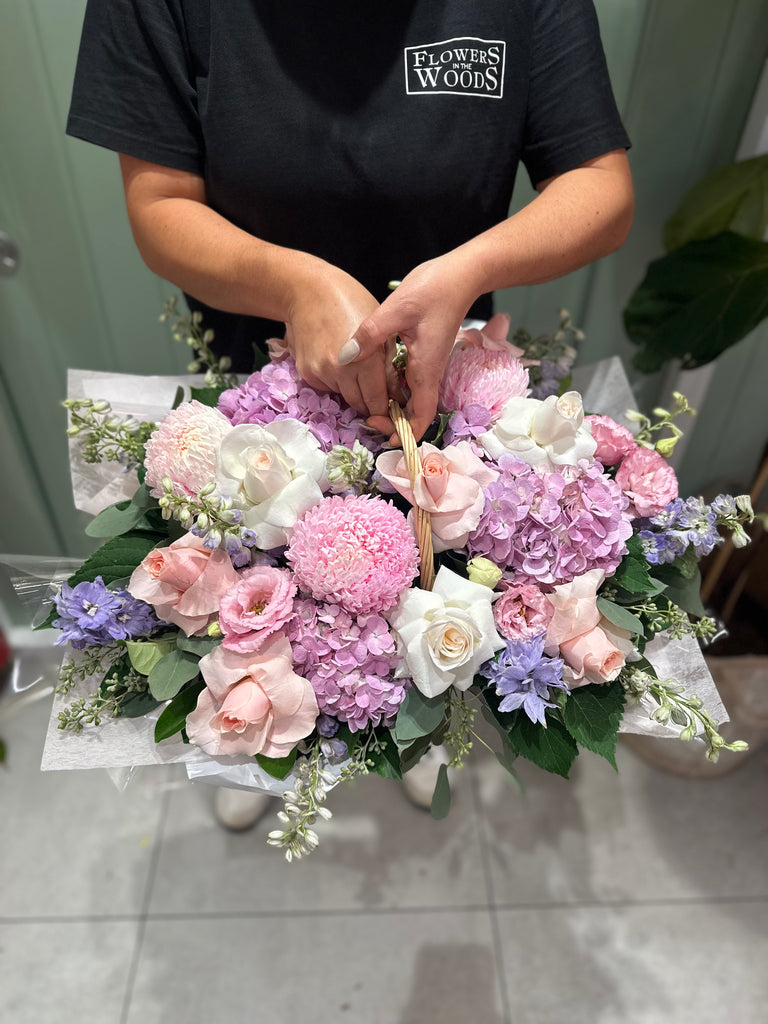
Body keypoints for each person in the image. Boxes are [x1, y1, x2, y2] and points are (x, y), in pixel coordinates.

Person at [67, 0, 634, 826]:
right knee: (256, 586)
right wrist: (293, 284)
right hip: (262, 381)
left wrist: (470, 267)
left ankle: (417, 722)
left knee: (445, 579)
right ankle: (255, 728)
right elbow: (160, 206)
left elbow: (600, 186)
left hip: (446, 382)